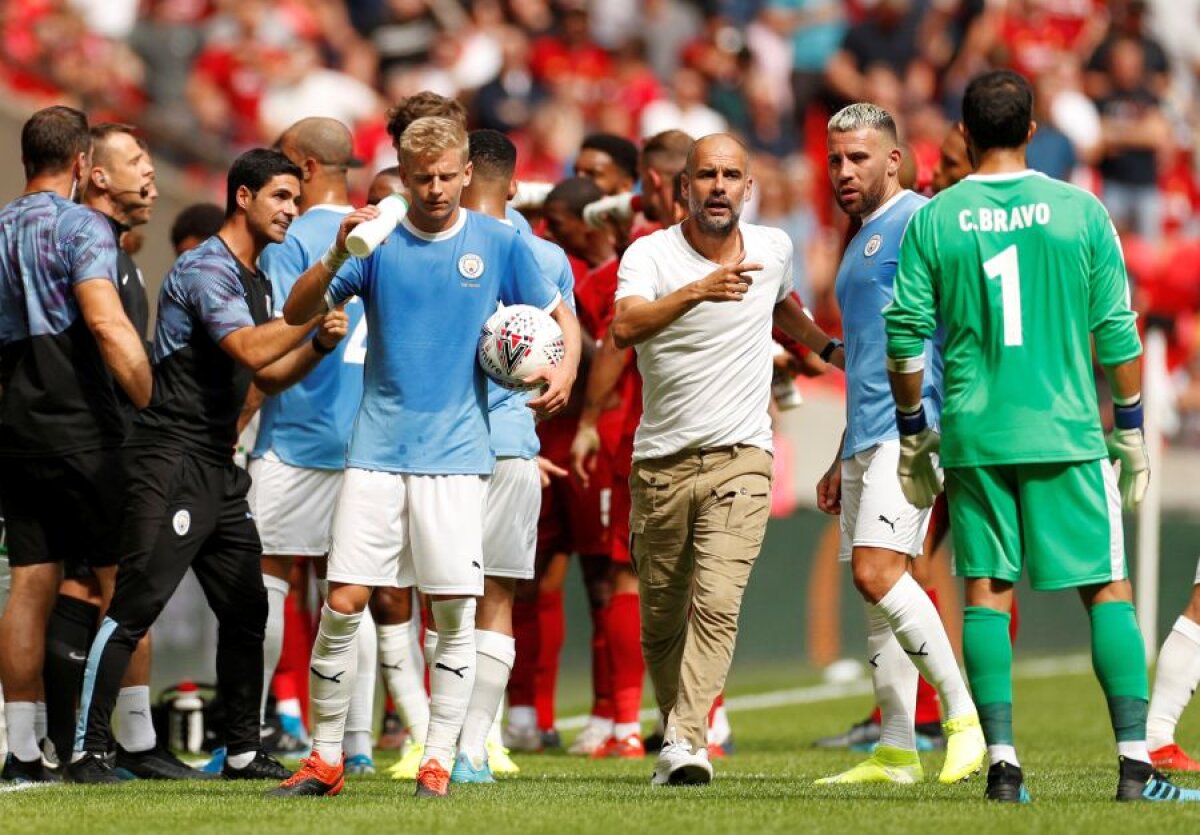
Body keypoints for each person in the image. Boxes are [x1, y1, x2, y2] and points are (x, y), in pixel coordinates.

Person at [884, 69, 1196, 804]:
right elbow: (1116, 331)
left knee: (986, 594)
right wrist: (1130, 430)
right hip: (1065, 431)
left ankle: (1003, 767)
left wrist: (910, 433)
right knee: (1108, 590)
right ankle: (1135, 768)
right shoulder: (1078, 211)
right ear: (1032, 130)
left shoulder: (936, 217)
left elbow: (903, 338)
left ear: (963, 133)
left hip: (975, 433)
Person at [270, 116, 578, 799]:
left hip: (457, 458)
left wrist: (564, 370)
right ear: (403, 179)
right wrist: (333, 257)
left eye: (447, 175)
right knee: (344, 599)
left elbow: (562, 318)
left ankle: (438, 758)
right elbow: (296, 315)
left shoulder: (500, 242)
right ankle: (324, 758)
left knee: (451, 610)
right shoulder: (376, 241)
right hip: (375, 451)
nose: (436, 189)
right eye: (422, 178)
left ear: (467, 172)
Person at [69, 148, 348, 784]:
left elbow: (269, 373)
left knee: (248, 609)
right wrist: (308, 315)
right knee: (136, 604)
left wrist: (321, 346)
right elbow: (250, 347)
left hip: (216, 467)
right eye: (281, 197)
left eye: (296, 200)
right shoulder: (205, 268)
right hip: (170, 461)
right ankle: (88, 751)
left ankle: (244, 752)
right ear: (243, 197)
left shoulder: (257, 275)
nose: (291, 210)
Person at [609, 133, 844, 785]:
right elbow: (623, 327)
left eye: (730, 174)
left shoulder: (774, 249)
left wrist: (827, 348)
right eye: (705, 174)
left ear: (748, 187)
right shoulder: (649, 254)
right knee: (660, 618)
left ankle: (687, 739)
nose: (718, 185)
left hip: (743, 455)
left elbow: (781, 307)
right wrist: (697, 291)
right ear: (682, 188)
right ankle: (678, 727)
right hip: (661, 462)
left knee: (717, 600)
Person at [813, 103, 984, 788]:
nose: (844, 171)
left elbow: (963, 321)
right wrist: (840, 450)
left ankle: (962, 717)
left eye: (859, 158)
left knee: (880, 572)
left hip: (913, 433)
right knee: (877, 594)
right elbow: (864, 357)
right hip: (867, 435)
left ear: (894, 159)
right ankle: (895, 747)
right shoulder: (859, 239)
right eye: (835, 159)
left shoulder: (920, 221)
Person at [0, 105, 151, 784]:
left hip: (16, 429)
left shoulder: (0, 226)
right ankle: (98, 746)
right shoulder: (82, 225)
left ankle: (24, 754)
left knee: (30, 583)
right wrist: (155, 399)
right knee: (126, 584)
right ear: (84, 164)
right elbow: (105, 322)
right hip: (86, 429)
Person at [68, 122, 207, 780]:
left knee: (102, 586)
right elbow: (100, 343)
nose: (152, 173)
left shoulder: (115, 250)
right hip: (96, 444)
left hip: (104, 440)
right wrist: (157, 409)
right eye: (136, 161)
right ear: (97, 175)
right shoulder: (86, 243)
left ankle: (127, 738)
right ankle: (93, 741)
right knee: (110, 588)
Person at [242, 117, 376, 774]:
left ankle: (255, 734)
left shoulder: (289, 239)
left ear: (301, 163)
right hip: (368, 442)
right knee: (353, 589)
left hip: (295, 436)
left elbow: (272, 341)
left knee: (268, 577)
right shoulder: (384, 233)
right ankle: (359, 742)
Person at [451, 128, 577, 783]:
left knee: (448, 598)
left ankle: (446, 742)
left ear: (460, 171)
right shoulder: (547, 255)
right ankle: (479, 744)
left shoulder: (438, 243)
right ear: (519, 184)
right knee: (496, 596)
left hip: (450, 446)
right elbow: (563, 350)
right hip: (516, 448)